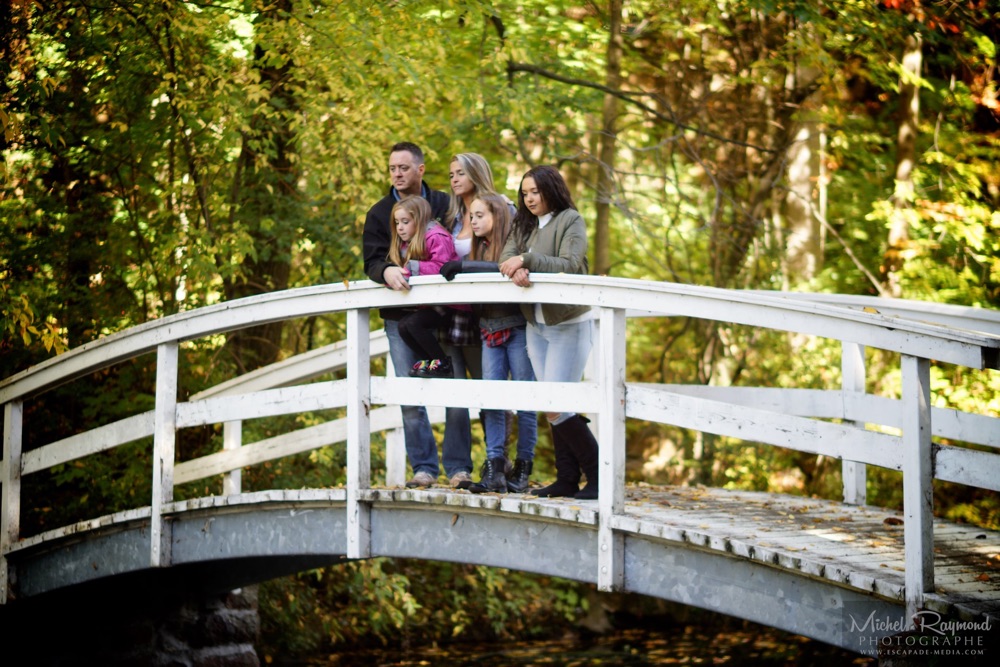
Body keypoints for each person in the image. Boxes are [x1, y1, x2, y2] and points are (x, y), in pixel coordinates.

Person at [362, 142, 473, 489]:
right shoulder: (379, 213)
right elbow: (371, 260)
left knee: (455, 388)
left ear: (420, 170)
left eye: (404, 168)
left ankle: (458, 468)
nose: (397, 174)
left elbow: (468, 236)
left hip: (443, 314)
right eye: (392, 168)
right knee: (410, 394)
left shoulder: (443, 204)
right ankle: (423, 467)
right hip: (401, 316)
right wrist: (385, 272)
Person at [497, 165, 600, 500]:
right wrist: (518, 265)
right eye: (524, 193)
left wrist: (528, 260)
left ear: (551, 189)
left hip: (567, 323)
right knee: (554, 403)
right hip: (535, 324)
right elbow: (506, 257)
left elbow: (571, 263)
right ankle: (567, 479)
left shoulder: (571, 219)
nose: (529, 199)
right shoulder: (524, 223)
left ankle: (599, 475)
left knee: (556, 405)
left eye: (535, 192)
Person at [441, 193, 538, 493]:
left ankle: (523, 465)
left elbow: (502, 269)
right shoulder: (474, 252)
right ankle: (494, 465)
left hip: (517, 329)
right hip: (488, 332)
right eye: (471, 216)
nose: (473, 220)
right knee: (491, 399)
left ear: (497, 216)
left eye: (480, 215)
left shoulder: (513, 246)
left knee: (526, 400)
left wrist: (463, 268)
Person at [387, 195, 463, 378]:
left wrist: (413, 268)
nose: (400, 227)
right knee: (404, 326)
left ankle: (442, 363)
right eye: (397, 222)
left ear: (419, 219)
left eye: (405, 221)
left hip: (450, 304)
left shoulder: (436, 236)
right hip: (433, 302)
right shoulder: (411, 242)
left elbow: (442, 267)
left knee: (413, 323)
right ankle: (430, 361)